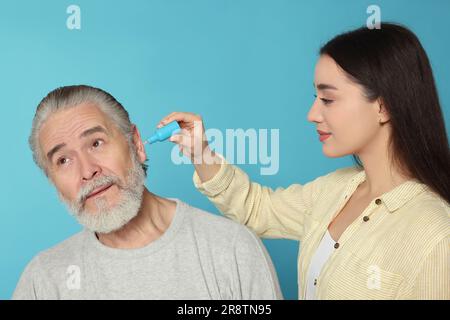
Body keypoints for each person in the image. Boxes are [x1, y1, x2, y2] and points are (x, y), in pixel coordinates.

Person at [159, 23, 450, 300]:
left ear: (383, 106)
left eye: (328, 99)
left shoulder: (437, 235)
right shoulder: (334, 190)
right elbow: (257, 209)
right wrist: (200, 152)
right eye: (316, 97)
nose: (312, 114)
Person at [13, 85, 282, 300]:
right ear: (53, 182)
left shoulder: (231, 249)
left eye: (96, 143)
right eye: (63, 160)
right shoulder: (43, 282)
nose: (87, 171)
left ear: (137, 144)